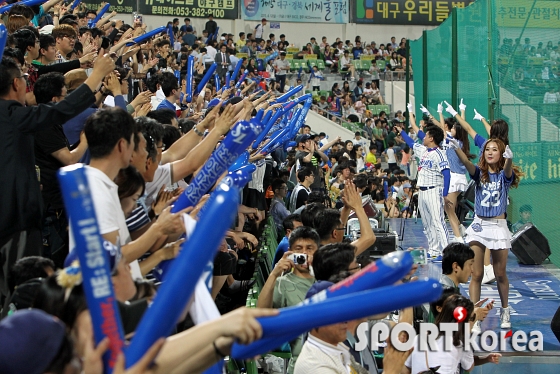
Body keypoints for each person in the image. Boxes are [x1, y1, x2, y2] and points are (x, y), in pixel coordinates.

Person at [0, 54, 114, 310]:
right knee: (19, 290)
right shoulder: (10, 112)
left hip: (17, 213)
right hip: (13, 221)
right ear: (16, 84)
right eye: (23, 80)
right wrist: (95, 76)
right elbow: (59, 112)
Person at [450, 136, 522, 329]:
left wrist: (509, 160)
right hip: (479, 226)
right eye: (487, 149)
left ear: (500, 154)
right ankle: (474, 315)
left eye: (494, 150)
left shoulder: (505, 176)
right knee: (476, 273)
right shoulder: (479, 173)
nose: (490, 152)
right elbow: (466, 163)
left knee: (500, 274)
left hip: (498, 227)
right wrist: (458, 149)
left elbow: (507, 171)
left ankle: (505, 310)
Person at [257, 226, 321, 373]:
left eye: (310, 248)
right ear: (290, 252)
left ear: (318, 251)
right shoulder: (282, 283)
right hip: (302, 363)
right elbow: (261, 314)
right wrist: (274, 274)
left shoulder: (328, 277)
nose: (304, 253)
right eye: (299, 248)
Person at [403, 294, 501, 374]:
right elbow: (469, 367)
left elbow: (405, 369)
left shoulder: (418, 339)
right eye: (471, 318)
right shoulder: (460, 344)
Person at [396, 124, 451, 261]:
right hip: (422, 190)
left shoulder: (439, 154)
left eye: (426, 135)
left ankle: (447, 253)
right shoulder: (424, 150)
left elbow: (447, 173)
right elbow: (411, 143)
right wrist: (402, 132)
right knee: (427, 223)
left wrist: (445, 194)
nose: (424, 137)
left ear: (431, 138)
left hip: (434, 189)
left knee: (438, 222)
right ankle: (433, 250)